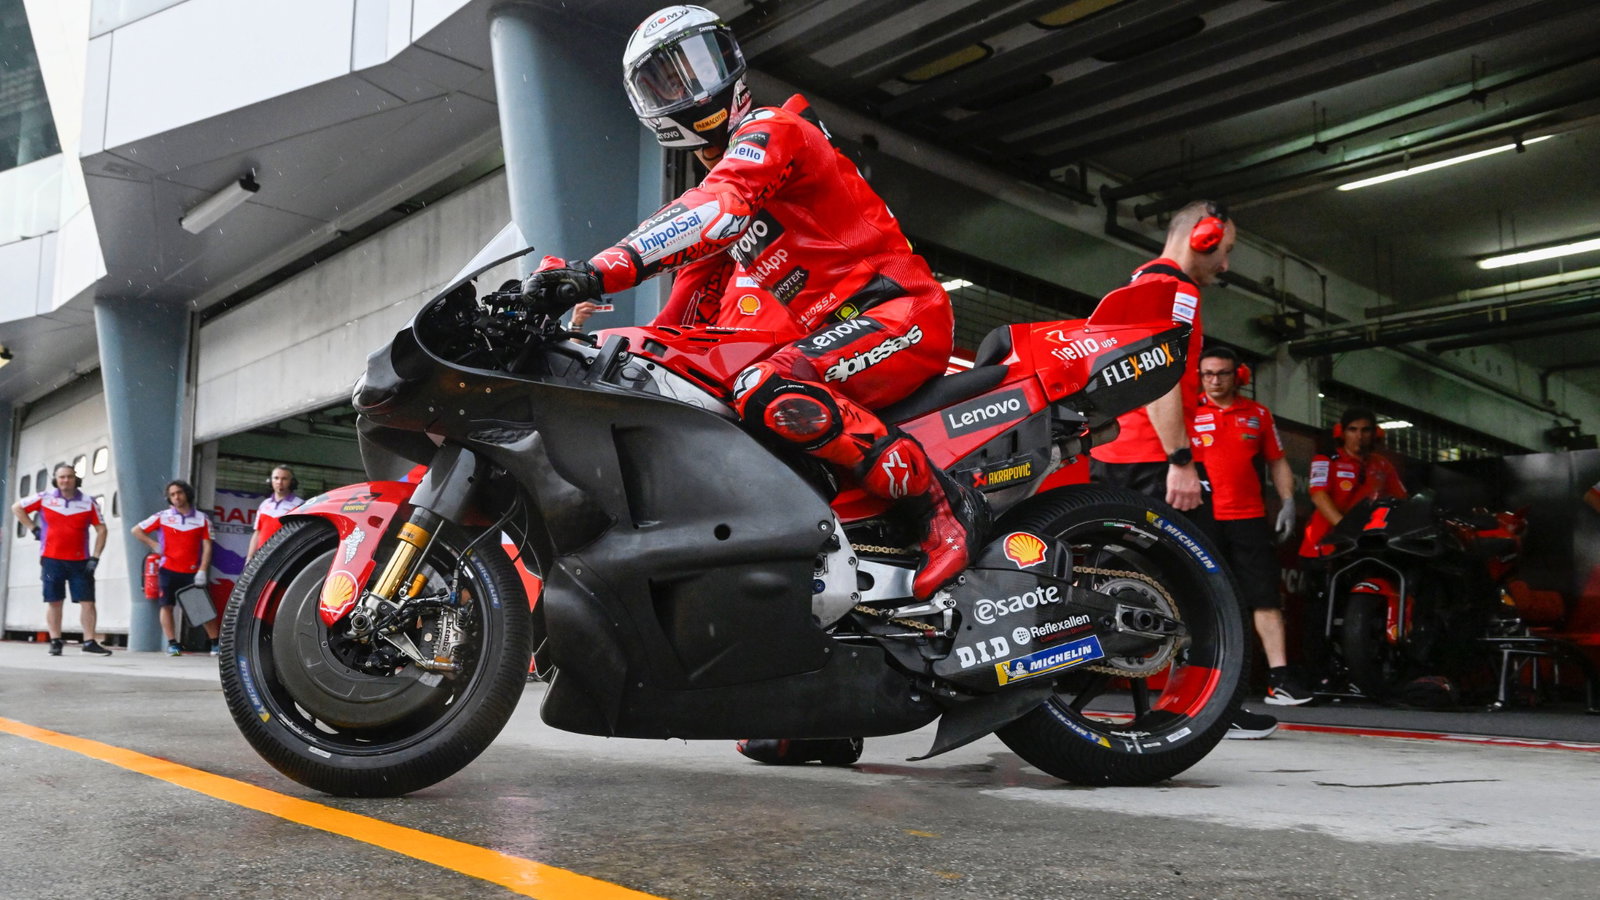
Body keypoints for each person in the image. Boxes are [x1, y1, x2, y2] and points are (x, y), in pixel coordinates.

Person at [528, 5, 982, 767]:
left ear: (731, 59)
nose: (694, 87)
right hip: (829, 342)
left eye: (700, 62)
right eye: (669, 79)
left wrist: (594, 270)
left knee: (766, 384)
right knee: (718, 406)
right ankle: (813, 698)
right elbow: (679, 320)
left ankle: (942, 505)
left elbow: (713, 209)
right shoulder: (727, 193)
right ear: (648, 105)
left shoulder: (776, 131)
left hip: (894, 313)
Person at [1086, 201, 1278, 739]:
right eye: (1226, 249)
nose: (1226, 264)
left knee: (1116, 579)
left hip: (1115, 457)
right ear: (1203, 236)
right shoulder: (1175, 290)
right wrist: (1180, 460)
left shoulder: (1138, 284)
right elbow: (1161, 378)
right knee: (1208, 586)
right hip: (1154, 459)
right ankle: (1213, 706)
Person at [1191, 347, 1309, 707]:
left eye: (1222, 373)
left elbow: (1278, 461)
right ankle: (1204, 681)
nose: (1214, 380)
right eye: (1208, 374)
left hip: (1248, 518)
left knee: (1264, 598)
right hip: (1201, 518)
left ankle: (1279, 681)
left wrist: (1288, 502)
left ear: (1238, 376)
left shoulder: (1258, 414)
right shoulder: (1187, 411)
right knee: (1203, 597)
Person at [12, 463, 112, 656]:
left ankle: (89, 642)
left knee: (87, 601)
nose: (66, 480)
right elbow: (17, 508)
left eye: (70, 477)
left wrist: (95, 557)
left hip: (80, 560)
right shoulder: (45, 498)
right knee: (54, 600)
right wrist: (34, 529)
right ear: (56, 480)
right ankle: (55, 641)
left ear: (76, 479)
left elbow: (102, 529)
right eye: (62, 477)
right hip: (51, 558)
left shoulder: (89, 502)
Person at [1298, 407, 1408, 558]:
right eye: (1352, 430)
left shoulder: (1383, 465)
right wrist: (1347, 529)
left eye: (1365, 430)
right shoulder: (1325, 459)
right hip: (1323, 547)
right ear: (1342, 433)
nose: (1359, 436)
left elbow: (1402, 501)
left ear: (1375, 433)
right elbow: (1318, 495)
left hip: (1363, 548)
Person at [132, 480, 217, 656]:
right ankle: (173, 645)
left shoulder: (202, 519)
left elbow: (207, 546)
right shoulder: (162, 516)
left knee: (200, 608)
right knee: (166, 606)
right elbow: (136, 530)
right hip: (167, 570)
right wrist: (153, 544)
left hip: (192, 572)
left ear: (187, 494)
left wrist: (202, 569)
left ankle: (216, 644)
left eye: (179, 493)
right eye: (172, 495)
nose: (176, 497)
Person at [246, 464, 303, 561]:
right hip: (261, 557)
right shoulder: (264, 504)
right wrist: (249, 558)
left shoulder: (299, 505)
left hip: (285, 557)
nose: (279, 482)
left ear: (292, 482)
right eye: (276, 478)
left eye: (284, 479)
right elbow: (257, 533)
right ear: (270, 481)